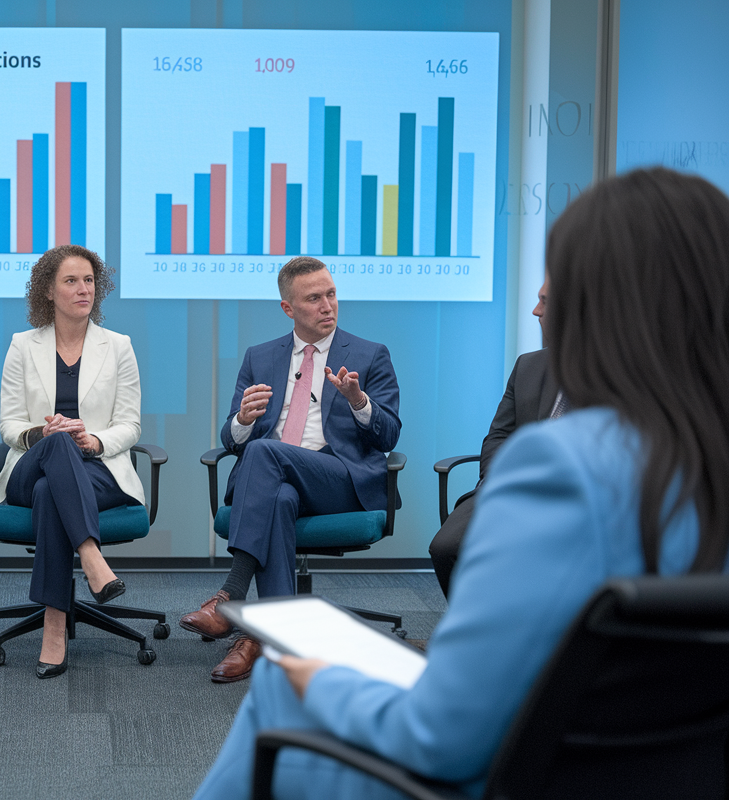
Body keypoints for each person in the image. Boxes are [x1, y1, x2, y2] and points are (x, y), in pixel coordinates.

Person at [193, 166, 729, 800]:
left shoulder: (562, 469)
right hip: (667, 774)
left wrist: (317, 677)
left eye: (554, 293)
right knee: (266, 464)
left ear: (600, 305)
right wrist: (242, 422)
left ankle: (248, 610)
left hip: (515, 774)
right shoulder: (694, 457)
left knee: (285, 683)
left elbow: (441, 736)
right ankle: (262, 618)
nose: (537, 306)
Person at [180, 256, 401, 683]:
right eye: (314, 298)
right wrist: (242, 420)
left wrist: (359, 402)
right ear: (288, 308)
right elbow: (230, 439)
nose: (327, 306)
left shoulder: (371, 355)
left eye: (331, 294)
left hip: (340, 480)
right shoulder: (260, 357)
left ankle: (231, 596)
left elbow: (388, 435)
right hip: (276, 483)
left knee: (263, 453)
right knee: (277, 493)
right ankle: (268, 638)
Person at [0, 244, 144, 678]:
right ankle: (91, 557)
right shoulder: (23, 346)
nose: (83, 289)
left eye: (89, 280)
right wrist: (44, 433)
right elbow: (8, 425)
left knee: (49, 492)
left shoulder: (118, 347)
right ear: (49, 292)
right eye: (71, 281)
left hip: (98, 469)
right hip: (31, 461)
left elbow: (130, 426)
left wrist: (92, 440)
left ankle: (54, 626)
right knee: (55, 447)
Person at [428, 276, 564, 596]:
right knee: (446, 547)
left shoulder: (619, 373)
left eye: (545, 301)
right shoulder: (529, 366)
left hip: (576, 495)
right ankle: (474, 635)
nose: (534, 311)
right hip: (509, 488)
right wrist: (497, 481)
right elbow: (499, 435)